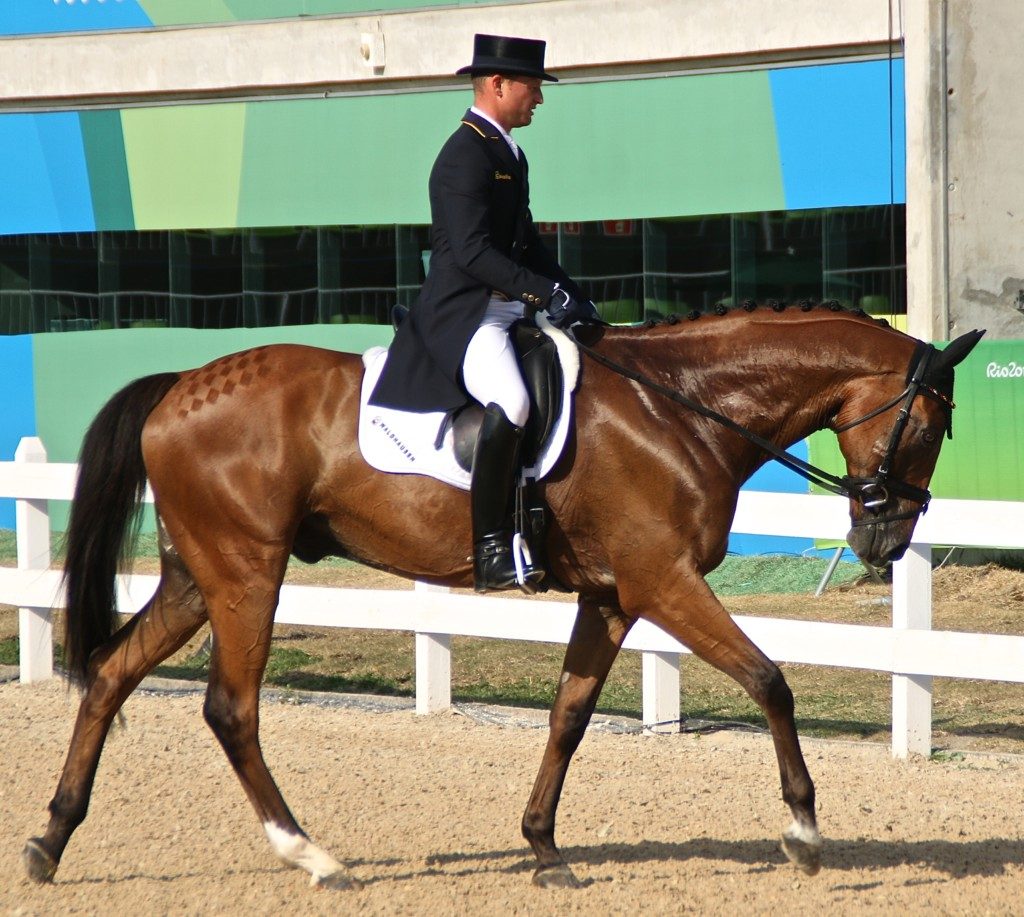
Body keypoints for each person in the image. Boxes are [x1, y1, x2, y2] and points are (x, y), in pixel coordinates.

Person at [369, 32, 599, 593]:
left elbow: (528, 244)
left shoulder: (509, 153)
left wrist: (572, 294)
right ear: (498, 85)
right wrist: (543, 296)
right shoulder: (463, 154)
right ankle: (492, 544)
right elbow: (472, 254)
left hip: (505, 309)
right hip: (464, 316)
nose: (539, 99)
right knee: (513, 402)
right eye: (532, 87)